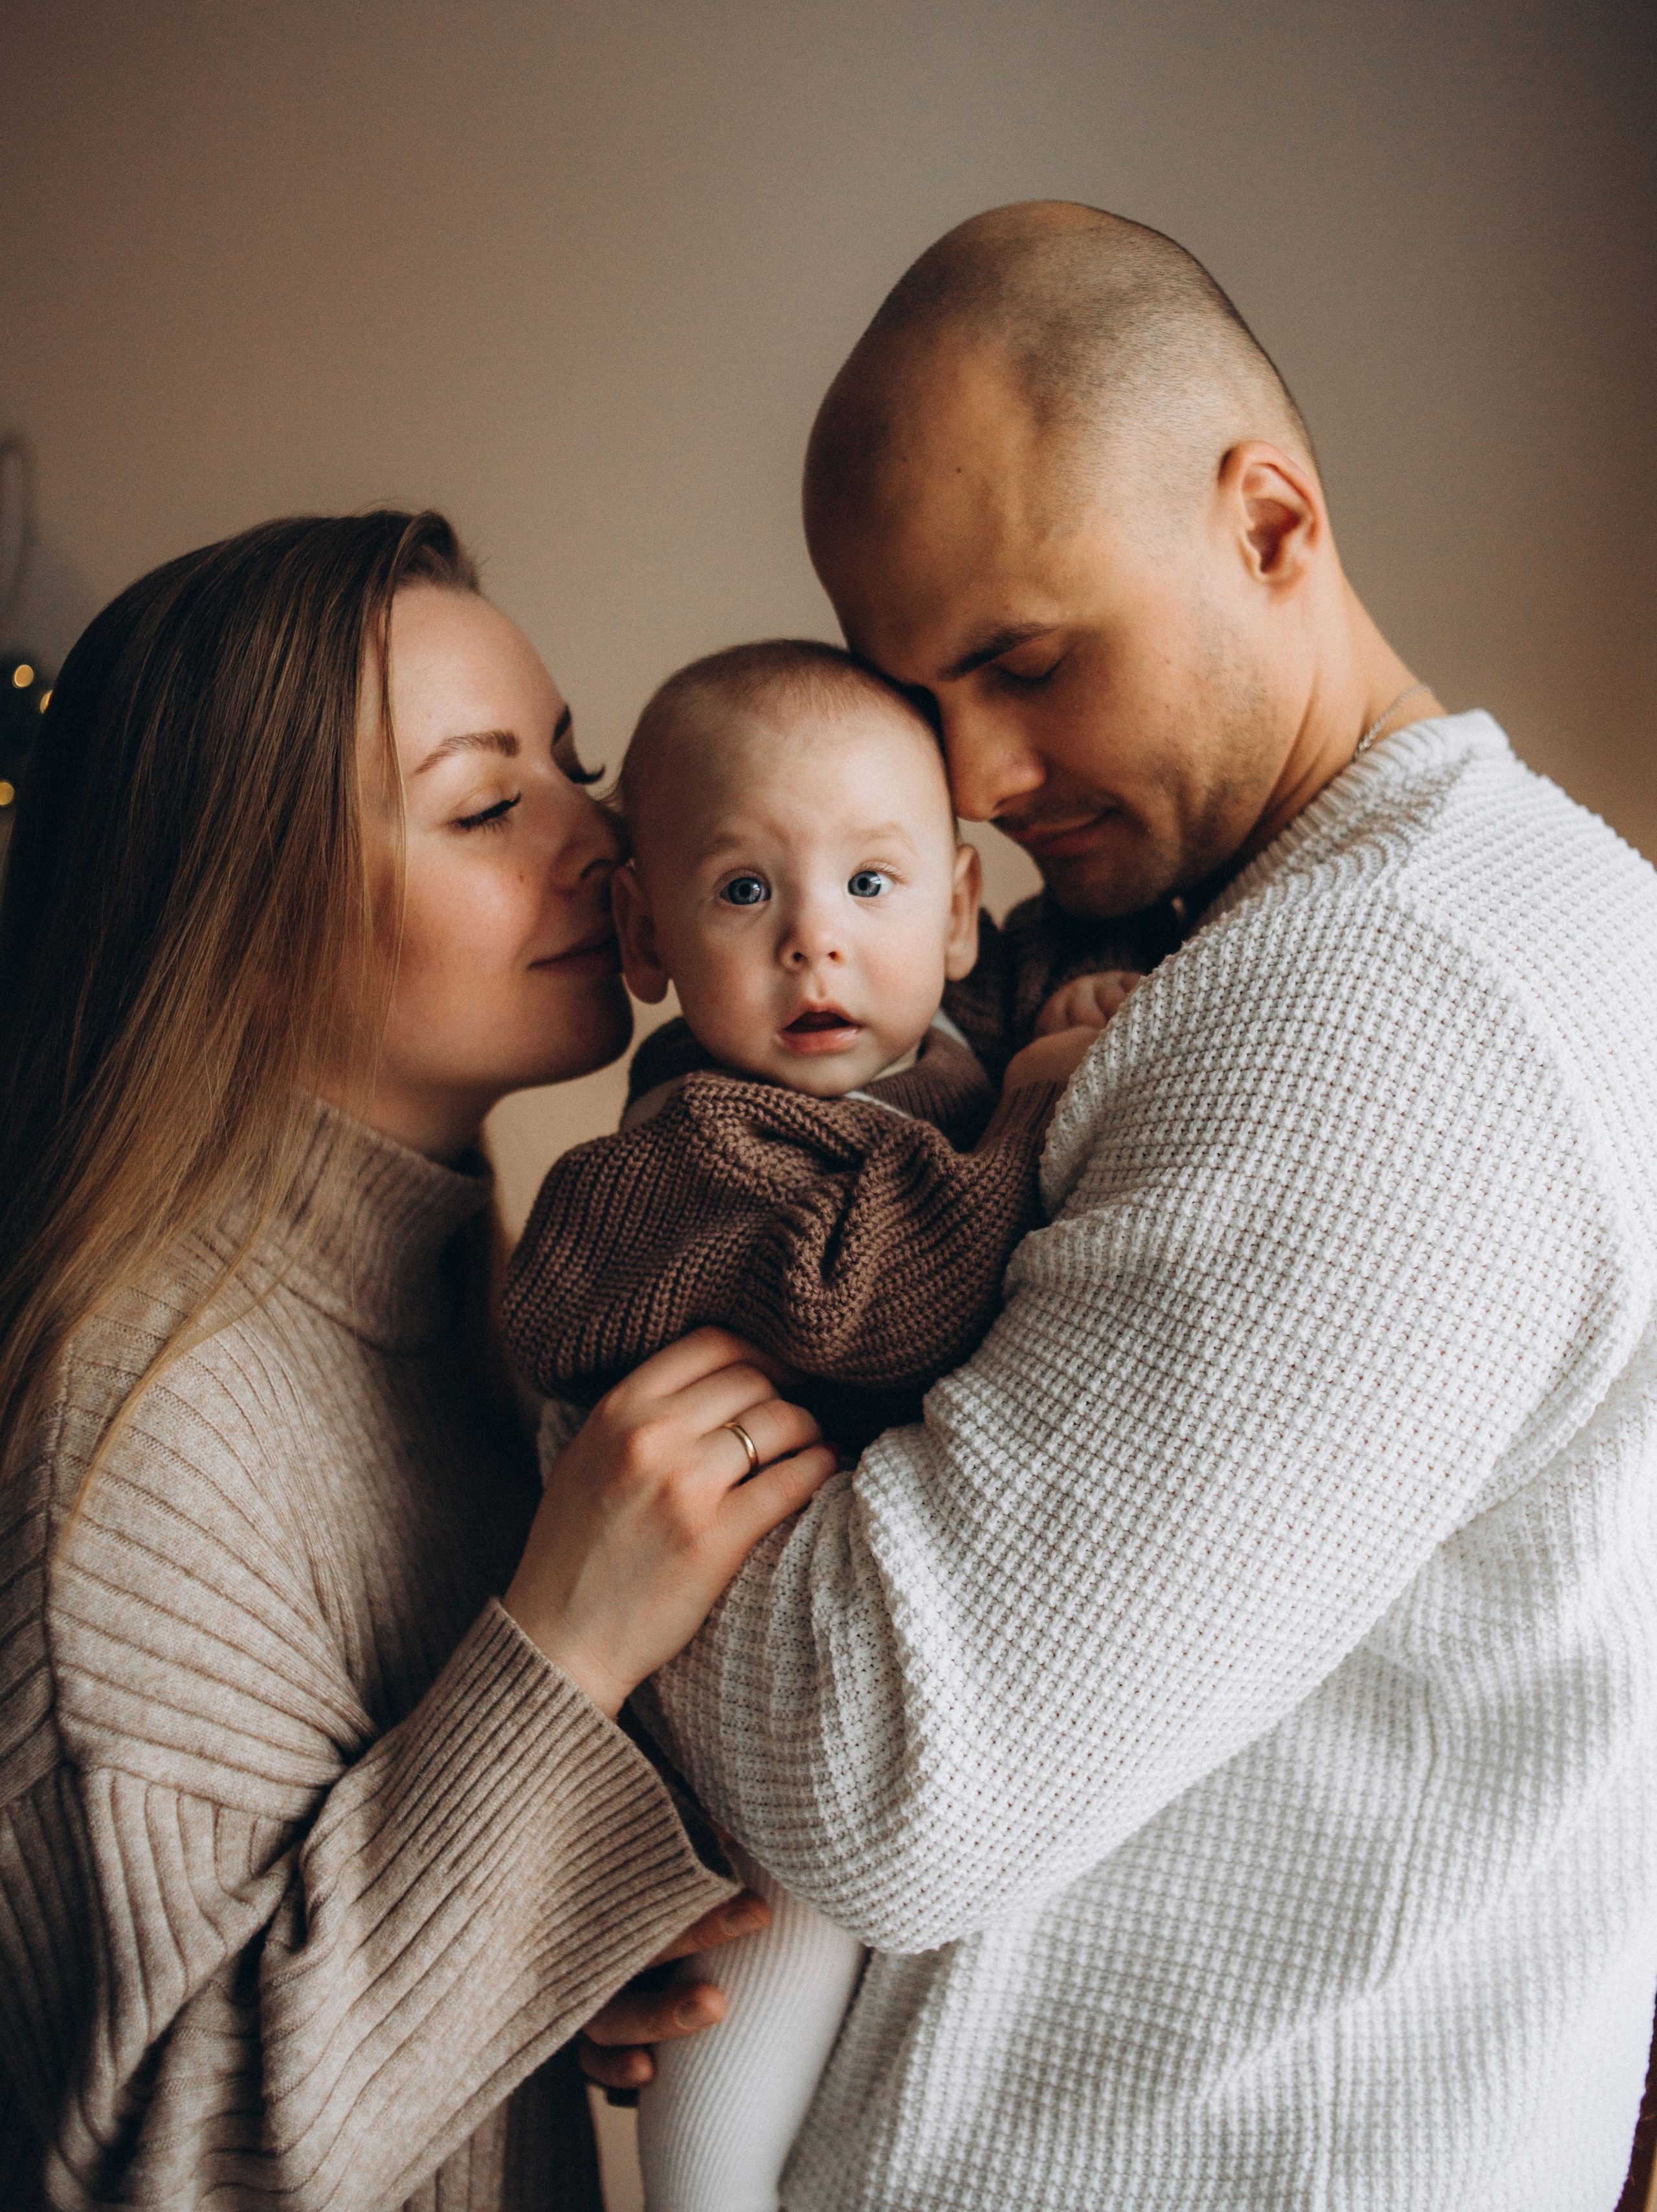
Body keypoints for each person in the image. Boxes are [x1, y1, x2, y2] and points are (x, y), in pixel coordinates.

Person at [599, 205, 1657, 2211]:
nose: (976, 776)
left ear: (1269, 524)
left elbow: (872, 1769)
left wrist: (595, 1511)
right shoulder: (1429, 924)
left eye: (1024, 660)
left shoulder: (1397, 1004)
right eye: (917, 692)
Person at [0, 511, 836, 2211]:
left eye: (573, 765)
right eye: (484, 804)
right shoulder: (141, 1431)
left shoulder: (479, 1317)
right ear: (236, 919)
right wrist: (567, 1641)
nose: (607, 839)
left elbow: (299, 1973)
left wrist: (517, 1963)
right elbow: (161, 2179)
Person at [500, 635, 1131, 2211]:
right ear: (643, 932)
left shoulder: (931, 1035)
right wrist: (1044, 1098)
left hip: (881, 1651)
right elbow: (879, 1300)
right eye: (739, 895)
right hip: (722, 1745)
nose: (814, 950)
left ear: (957, 904)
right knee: (724, 2093)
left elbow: (981, 1014)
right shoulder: (690, 1148)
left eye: (871, 885)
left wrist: (1065, 1001)